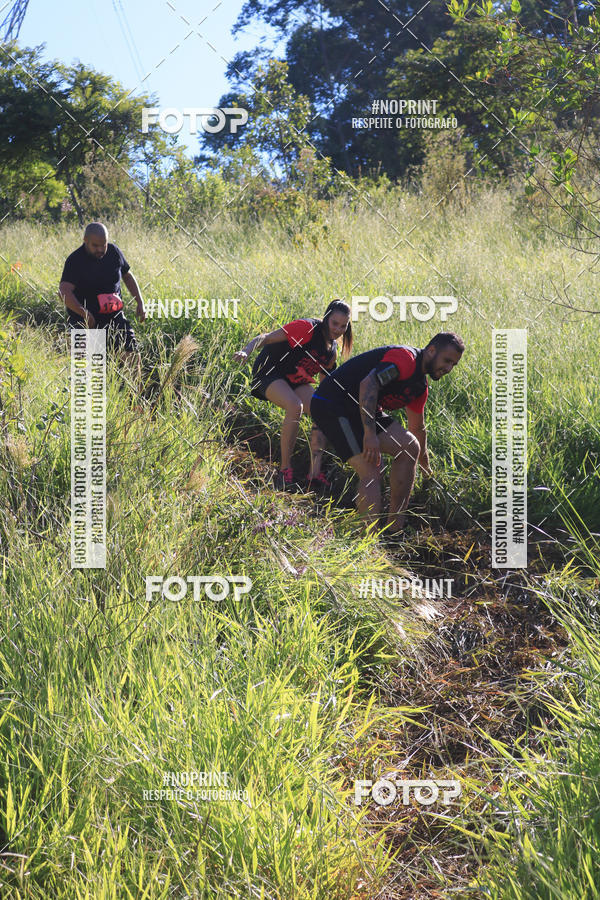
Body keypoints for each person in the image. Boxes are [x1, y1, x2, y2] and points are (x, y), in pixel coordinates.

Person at [310, 332, 465, 533]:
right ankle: (369, 539)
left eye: (454, 364)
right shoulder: (405, 359)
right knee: (372, 469)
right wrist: (370, 435)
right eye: (447, 360)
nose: (449, 368)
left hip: (361, 409)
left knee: (410, 447)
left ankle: (394, 529)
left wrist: (426, 469)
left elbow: (417, 428)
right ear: (432, 350)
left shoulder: (419, 387)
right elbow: (369, 384)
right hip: (332, 404)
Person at [233, 300, 353, 491]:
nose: (338, 330)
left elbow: (325, 390)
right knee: (295, 405)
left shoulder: (331, 352)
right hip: (269, 373)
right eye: (334, 323)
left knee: (321, 409)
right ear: (326, 318)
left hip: (294, 380)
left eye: (343, 326)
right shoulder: (306, 328)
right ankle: (285, 470)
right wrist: (246, 350)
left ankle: (315, 474)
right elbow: (265, 337)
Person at [58, 222, 146, 383]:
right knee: (89, 376)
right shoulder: (75, 260)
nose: (100, 249)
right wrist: (84, 313)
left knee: (133, 358)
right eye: (95, 245)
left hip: (115, 318)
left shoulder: (114, 252)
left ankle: (135, 397)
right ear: (85, 240)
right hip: (85, 322)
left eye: (103, 245)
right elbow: (64, 291)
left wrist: (140, 302)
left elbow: (127, 276)